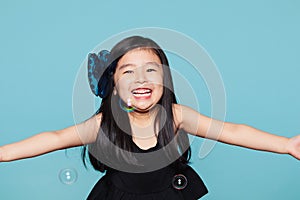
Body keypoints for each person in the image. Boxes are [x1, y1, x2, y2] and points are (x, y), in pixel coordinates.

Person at [0, 36, 299, 200]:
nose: (140, 78)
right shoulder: (103, 123)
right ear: (114, 86)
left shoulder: (176, 115)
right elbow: (53, 138)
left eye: (151, 70)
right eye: (128, 71)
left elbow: (231, 131)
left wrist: (286, 144)